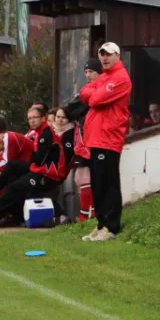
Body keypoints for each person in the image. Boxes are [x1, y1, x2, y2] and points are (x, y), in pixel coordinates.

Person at [0, 107, 75, 229]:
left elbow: (38, 160)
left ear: (43, 118)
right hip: (39, 170)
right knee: (12, 166)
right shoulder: (40, 132)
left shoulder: (46, 134)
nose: (32, 121)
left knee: (15, 187)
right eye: (29, 118)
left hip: (47, 175)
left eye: (35, 118)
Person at [79, 42, 131, 242]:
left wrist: (93, 94)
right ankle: (101, 224)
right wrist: (93, 94)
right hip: (97, 137)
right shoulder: (105, 77)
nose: (104, 58)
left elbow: (94, 100)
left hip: (108, 137)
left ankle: (111, 226)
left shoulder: (120, 78)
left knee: (108, 183)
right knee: (98, 183)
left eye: (108, 54)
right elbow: (85, 92)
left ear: (117, 56)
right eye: (102, 55)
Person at [67, 58, 102, 222]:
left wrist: (83, 108)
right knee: (81, 177)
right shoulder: (85, 89)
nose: (88, 75)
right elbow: (71, 108)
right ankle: (91, 212)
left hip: (91, 138)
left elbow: (81, 107)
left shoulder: (101, 88)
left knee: (84, 176)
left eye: (92, 72)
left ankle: (86, 213)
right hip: (81, 139)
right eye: (86, 72)